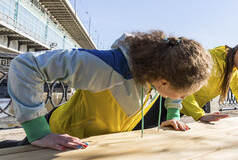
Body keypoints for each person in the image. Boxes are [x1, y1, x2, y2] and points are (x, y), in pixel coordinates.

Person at [4, 30, 213, 151]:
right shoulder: (107, 67)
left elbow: (173, 97)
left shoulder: (158, 70)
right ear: (164, 82)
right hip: (59, 135)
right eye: (185, 94)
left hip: (89, 145)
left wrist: (173, 115)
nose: (185, 98)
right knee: (12, 155)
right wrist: (39, 132)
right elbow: (25, 65)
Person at [141, 35, 238, 128]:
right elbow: (185, 83)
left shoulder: (233, 70)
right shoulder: (211, 59)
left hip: (180, 107)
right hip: (164, 99)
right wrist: (199, 114)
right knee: (141, 130)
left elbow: (237, 90)